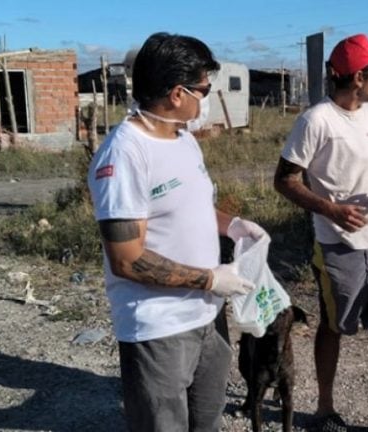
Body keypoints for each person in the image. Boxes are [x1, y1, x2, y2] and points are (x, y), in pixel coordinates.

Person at [87, 32, 266, 432]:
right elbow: (126, 258)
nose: (205, 99)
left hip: (207, 317)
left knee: (206, 421)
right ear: (176, 93)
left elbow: (192, 206)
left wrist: (232, 226)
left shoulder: (182, 139)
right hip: (159, 327)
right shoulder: (124, 154)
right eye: (203, 90)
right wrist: (209, 279)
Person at [274, 33, 368, 432]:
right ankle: (324, 409)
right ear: (357, 77)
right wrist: (330, 209)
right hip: (339, 246)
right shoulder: (316, 121)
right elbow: (284, 180)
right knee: (333, 327)